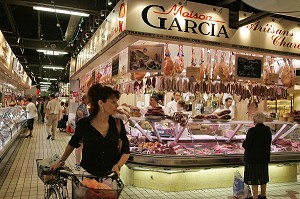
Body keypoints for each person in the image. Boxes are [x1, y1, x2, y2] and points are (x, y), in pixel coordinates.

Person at [51, 84, 130, 177]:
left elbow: (126, 151)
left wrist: (118, 166)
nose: (117, 105)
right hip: (87, 175)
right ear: (101, 103)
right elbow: (72, 143)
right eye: (113, 102)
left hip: (110, 176)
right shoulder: (84, 124)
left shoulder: (118, 124)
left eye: (116, 101)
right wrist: (61, 162)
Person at [243, 112, 272, 199]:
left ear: (254, 120)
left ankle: (255, 196)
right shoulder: (267, 129)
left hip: (253, 158)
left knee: (254, 178)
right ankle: (263, 195)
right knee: (263, 177)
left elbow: (247, 145)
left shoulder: (252, 131)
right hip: (264, 157)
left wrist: (243, 143)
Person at [74, 95, 89, 170]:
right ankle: (77, 164)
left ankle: (79, 163)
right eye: (88, 98)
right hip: (81, 130)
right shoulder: (82, 106)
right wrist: (82, 118)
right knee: (79, 146)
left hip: (82, 129)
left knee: (81, 146)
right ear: (85, 99)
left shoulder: (85, 106)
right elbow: (79, 112)